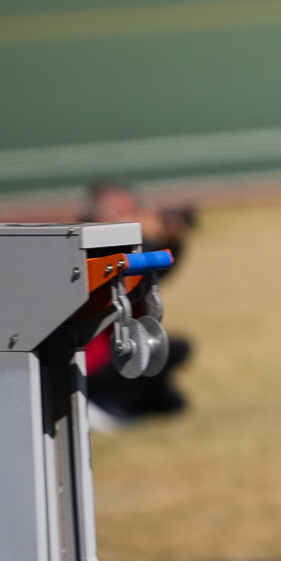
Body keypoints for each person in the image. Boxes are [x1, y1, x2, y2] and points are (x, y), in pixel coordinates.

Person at [81, 180, 195, 427]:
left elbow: (157, 272)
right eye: (122, 213)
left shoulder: (132, 249)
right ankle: (99, 410)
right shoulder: (85, 251)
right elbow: (124, 277)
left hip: (123, 345)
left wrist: (174, 239)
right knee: (155, 353)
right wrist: (151, 241)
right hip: (94, 360)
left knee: (171, 393)